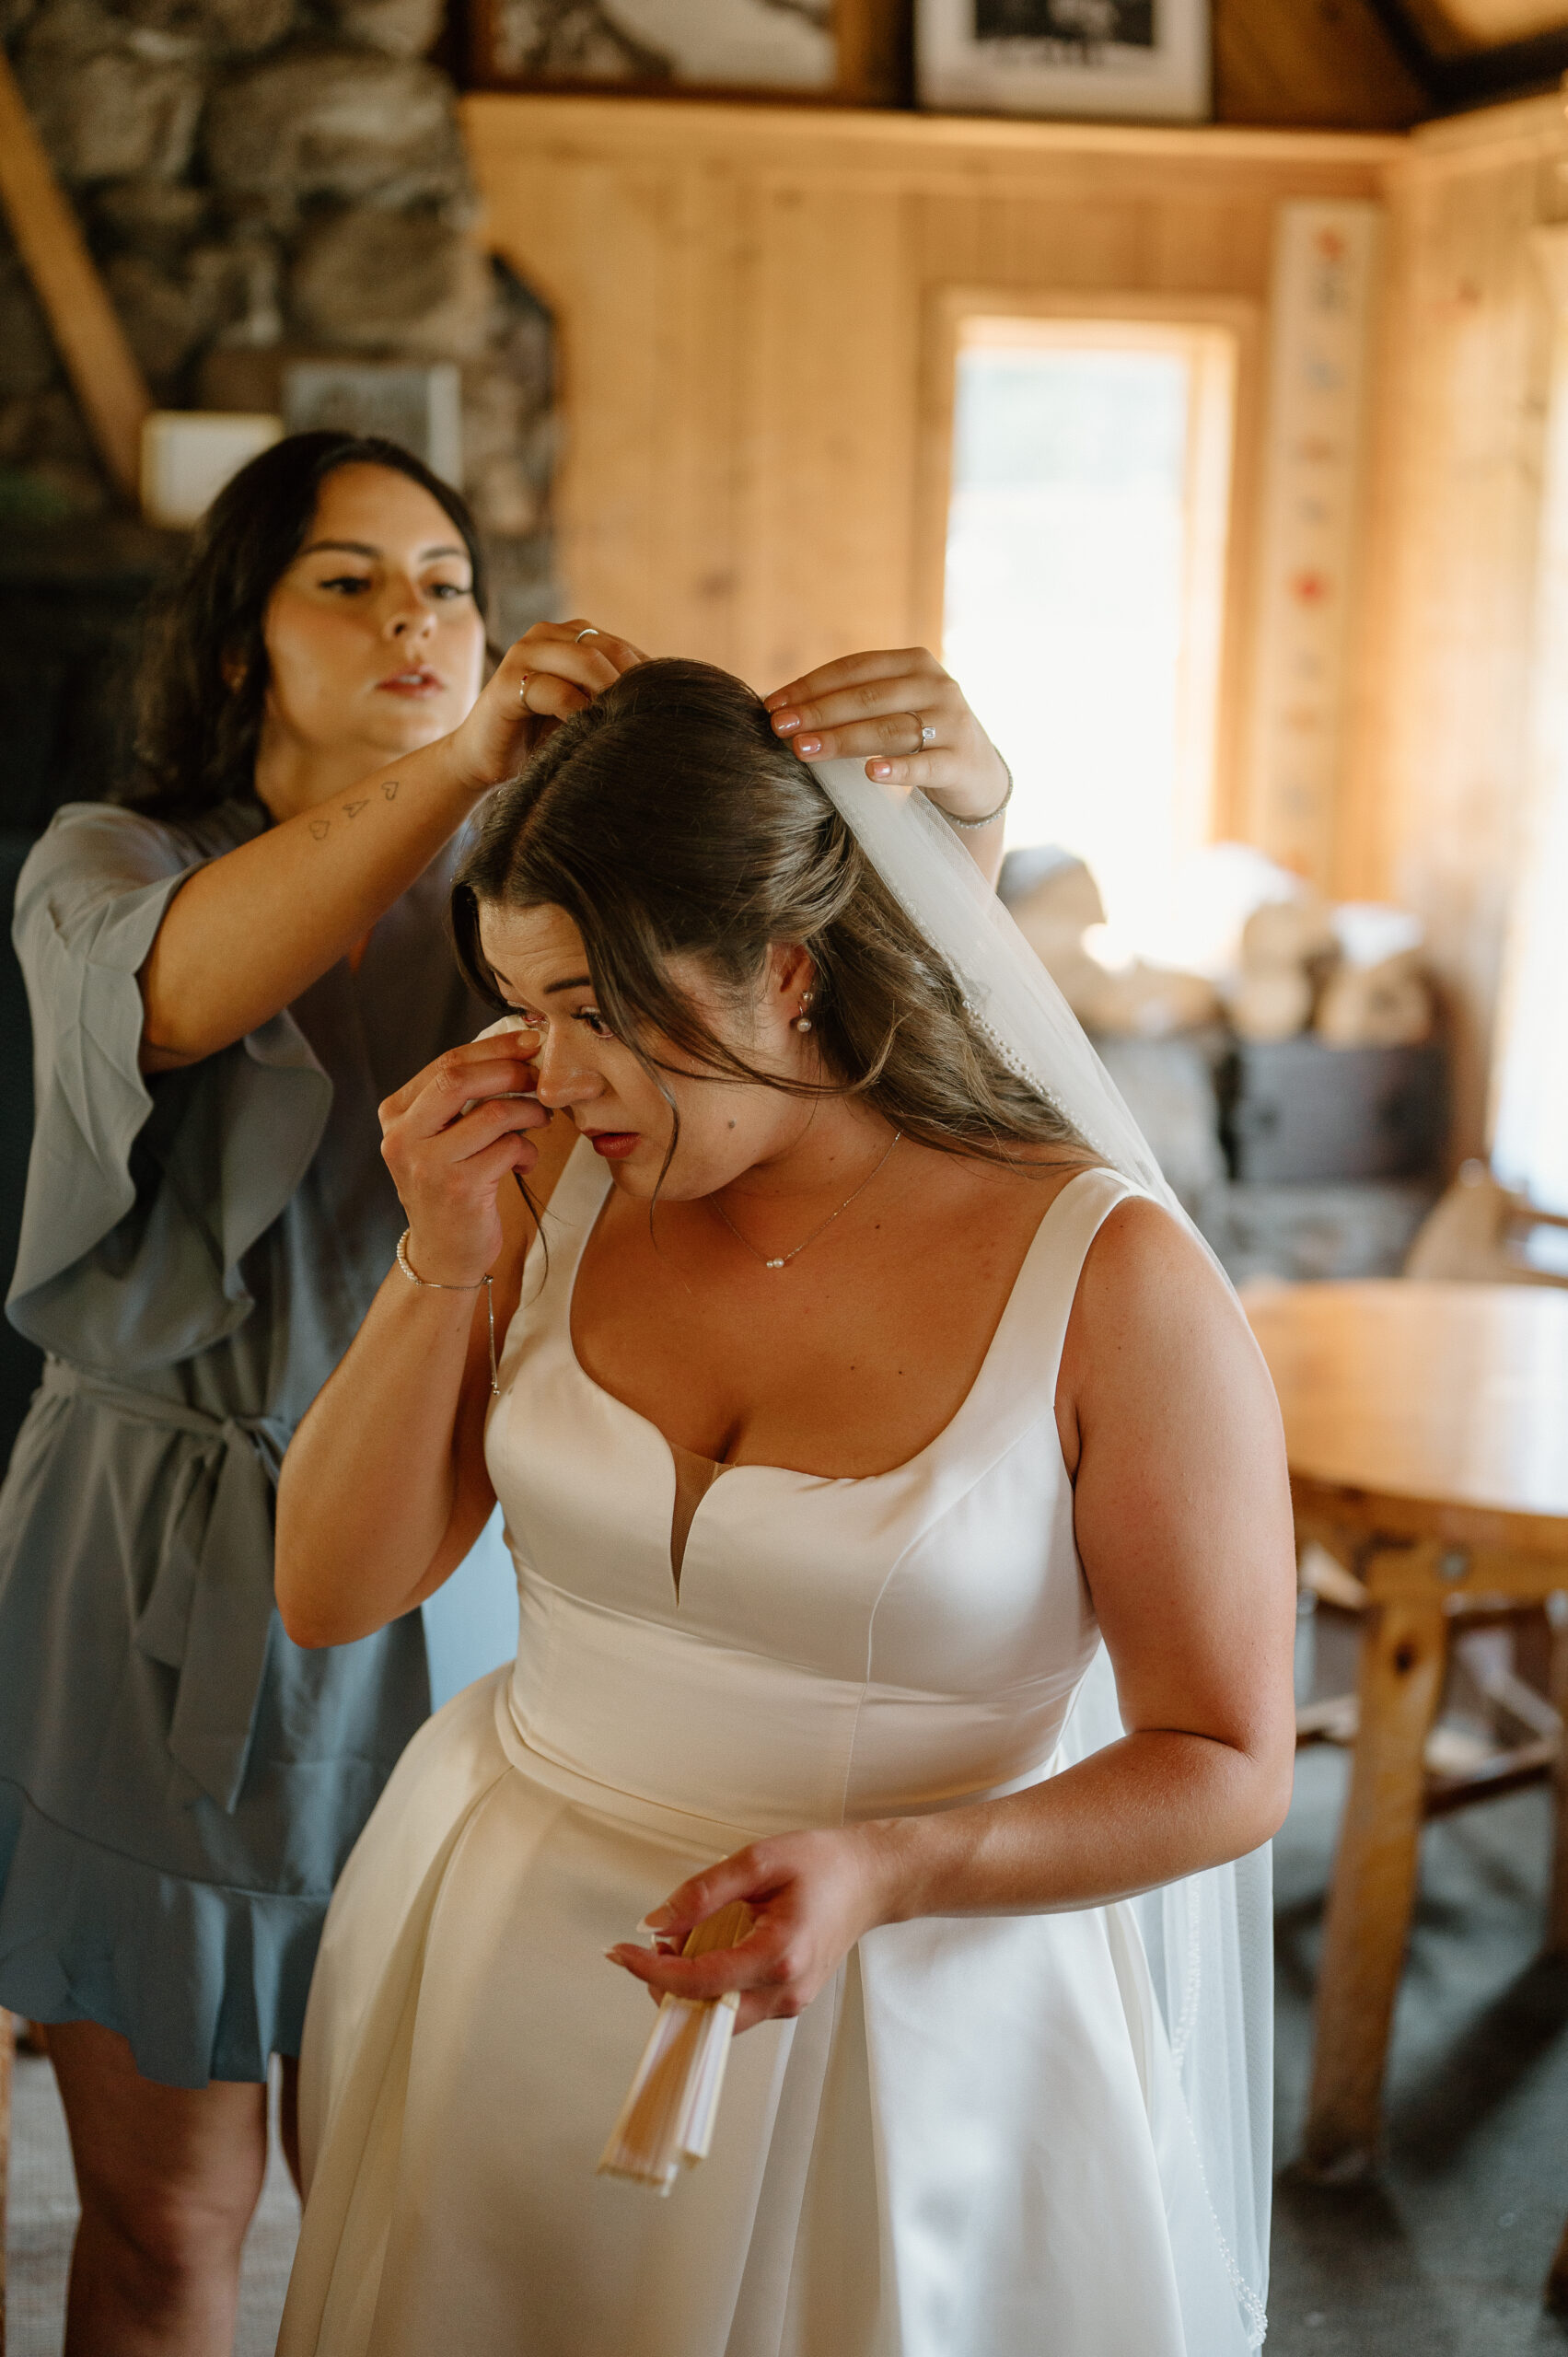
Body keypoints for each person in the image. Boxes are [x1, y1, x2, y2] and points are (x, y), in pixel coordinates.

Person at [0, 419, 970, 2355]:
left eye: (447, 579)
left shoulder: (525, 900)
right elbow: (176, 996)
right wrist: (459, 752)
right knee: (167, 2217)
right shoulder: (108, 862)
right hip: (146, 1562)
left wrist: (970, 805)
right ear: (231, 648)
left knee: (420, 2181)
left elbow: (826, 1032)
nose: (415, 614)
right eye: (347, 582)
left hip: (431, 1554)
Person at [272, 655, 1297, 2357]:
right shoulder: (550, 1179)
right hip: (508, 1951)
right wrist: (435, 1265)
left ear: (788, 969)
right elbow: (325, 1592)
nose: (554, 1066)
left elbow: (1226, 1759)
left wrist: (900, 1866)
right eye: (526, 1005)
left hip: (918, 2026)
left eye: (600, 1009)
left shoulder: (1108, 1277)